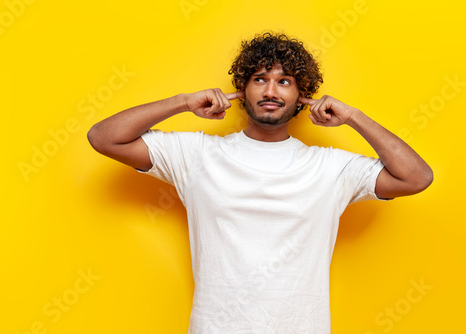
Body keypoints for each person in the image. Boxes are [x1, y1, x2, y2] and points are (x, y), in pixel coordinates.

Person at [87, 32, 433, 333]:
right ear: (242, 89)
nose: (270, 90)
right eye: (260, 79)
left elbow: (416, 177)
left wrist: (354, 117)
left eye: (284, 81)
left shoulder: (329, 167)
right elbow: (104, 138)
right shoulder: (196, 154)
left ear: (302, 96)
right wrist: (183, 102)